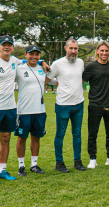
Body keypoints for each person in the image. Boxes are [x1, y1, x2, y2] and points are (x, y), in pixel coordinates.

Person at [0, 35, 49, 184]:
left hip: (10, 108)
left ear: (12, 47)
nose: (7, 47)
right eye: (4, 44)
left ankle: (2, 171)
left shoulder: (14, 61)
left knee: (6, 138)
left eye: (9, 45)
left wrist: (42, 61)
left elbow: (28, 61)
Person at [45, 38, 86, 173]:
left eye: (75, 49)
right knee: (60, 134)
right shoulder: (57, 64)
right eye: (71, 48)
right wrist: (55, 82)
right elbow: (47, 79)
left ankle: (77, 161)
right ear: (65, 48)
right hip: (63, 105)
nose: (73, 51)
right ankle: (59, 163)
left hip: (78, 104)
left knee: (77, 134)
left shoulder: (80, 62)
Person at [82, 41, 109, 169]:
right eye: (102, 50)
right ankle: (92, 159)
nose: (104, 53)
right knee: (93, 133)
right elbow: (81, 80)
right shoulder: (91, 67)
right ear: (97, 51)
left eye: (106, 51)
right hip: (95, 104)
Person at [15, 45, 47, 176]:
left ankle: (34, 164)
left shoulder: (43, 68)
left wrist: (42, 62)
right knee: (22, 138)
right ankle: (21, 166)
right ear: (25, 54)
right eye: (31, 54)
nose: (34, 56)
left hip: (40, 110)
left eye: (37, 54)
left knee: (36, 138)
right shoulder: (19, 68)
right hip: (23, 111)